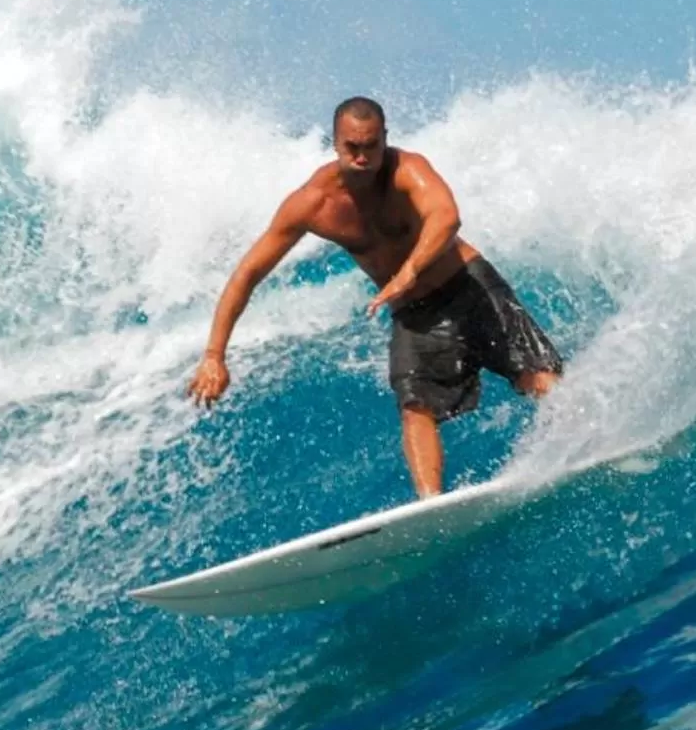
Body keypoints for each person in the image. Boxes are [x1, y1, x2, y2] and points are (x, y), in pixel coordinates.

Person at [187, 96, 563, 497]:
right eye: (353, 147)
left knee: (532, 373)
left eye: (372, 146)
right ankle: (430, 506)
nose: (363, 157)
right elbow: (248, 273)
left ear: (385, 139)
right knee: (415, 404)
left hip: (468, 283)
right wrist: (214, 354)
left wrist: (409, 271)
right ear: (335, 144)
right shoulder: (312, 203)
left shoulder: (408, 170)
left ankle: (584, 435)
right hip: (416, 312)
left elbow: (446, 215)